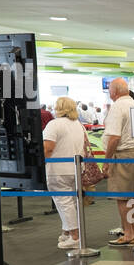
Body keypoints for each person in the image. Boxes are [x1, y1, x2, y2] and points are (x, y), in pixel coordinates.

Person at [103, 77, 134, 245]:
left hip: (123, 155)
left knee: (122, 197)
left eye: (109, 90)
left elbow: (114, 137)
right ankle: (133, 231)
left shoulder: (117, 107)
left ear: (114, 92)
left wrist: (107, 161)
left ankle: (128, 233)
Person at [42, 96, 85, 249]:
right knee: (70, 202)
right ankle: (67, 231)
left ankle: (75, 236)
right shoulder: (78, 124)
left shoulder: (54, 125)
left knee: (64, 202)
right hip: (76, 169)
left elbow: (48, 148)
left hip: (58, 169)